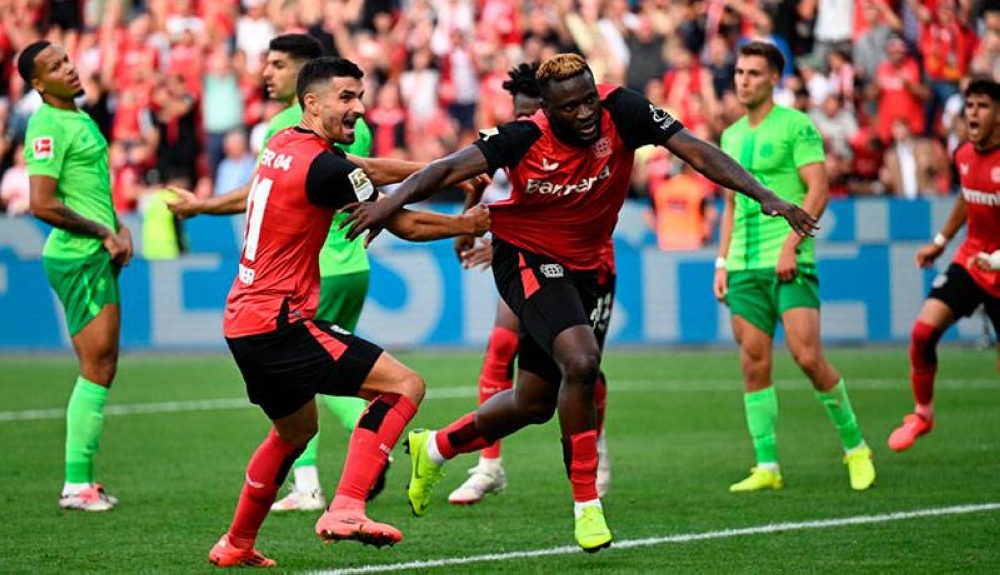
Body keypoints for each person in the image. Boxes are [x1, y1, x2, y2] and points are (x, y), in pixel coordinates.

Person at [341, 53, 817, 552]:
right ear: (547, 110)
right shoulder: (523, 136)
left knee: (534, 402)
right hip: (523, 254)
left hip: (584, 268)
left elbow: (695, 150)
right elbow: (446, 169)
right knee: (583, 360)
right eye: (571, 107)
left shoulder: (623, 110)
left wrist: (765, 194)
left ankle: (436, 447)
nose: (586, 113)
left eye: (589, 99)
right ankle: (587, 505)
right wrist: (388, 203)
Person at [207, 56, 491, 567]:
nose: (359, 108)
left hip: (244, 320)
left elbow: (367, 171)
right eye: (346, 98)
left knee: (294, 432)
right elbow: (402, 223)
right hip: (281, 322)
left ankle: (236, 543)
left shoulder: (282, 143)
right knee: (404, 386)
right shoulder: (327, 168)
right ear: (311, 102)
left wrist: (453, 168)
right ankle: (346, 507)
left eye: (360, 96)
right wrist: (471, 223)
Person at [168, 34, 389, 512]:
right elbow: (369, 173)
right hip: (356, 262)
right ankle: (368, 449)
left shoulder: (287, 129)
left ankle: (315, 481)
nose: (267, 74)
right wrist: (444, 171)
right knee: (338, 370)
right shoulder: (354, 127)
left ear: (308, 76)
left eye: (278, 65)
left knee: (320, 379)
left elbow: (258, 192)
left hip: (309, 274)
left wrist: (204, 205)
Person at [713, 42, 876, 494]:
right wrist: (722, 261)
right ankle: (767, 466)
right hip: (743, 266)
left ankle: (856, 447)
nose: (743, 79)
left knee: (807, 357)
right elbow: (729, 206)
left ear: (774, 80)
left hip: (789, 259)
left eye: (753, 73)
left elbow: (818, 191)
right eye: (740, 71)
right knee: (753, 364)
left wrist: (791, 243)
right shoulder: (729, 136)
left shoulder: (797, 126)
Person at [448, 62, 614, 505]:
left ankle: (593, 443)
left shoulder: (584, 135)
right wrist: (476, 225)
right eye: (519, 115)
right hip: (528, 257)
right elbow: (479, 196)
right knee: (503, 346)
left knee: (583, 366)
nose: (527, 123)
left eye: (532, 114)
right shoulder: (512, 141)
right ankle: (488, 465)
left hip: (590, 263)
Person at [19, 40, 133, 511]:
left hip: (94, 250)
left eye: (67, 60)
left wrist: (118, 226)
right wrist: (101, 233)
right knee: (98, 367)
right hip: (78, 256)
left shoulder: (79, 117)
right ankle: (76, 484)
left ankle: (82, 480)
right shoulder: (45, 124)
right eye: (54, 67)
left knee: (102, 366)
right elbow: (41, 202)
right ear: (37, 84)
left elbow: (90, 190)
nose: (69, 68)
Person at [888, 78, 1000, 452]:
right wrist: (939, 243)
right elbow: (968, 199)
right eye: (969, 105)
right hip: (971, 262)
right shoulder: (964, 155)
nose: (973, 112)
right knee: (922, 334)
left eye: (982, 106)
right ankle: (923, 413)